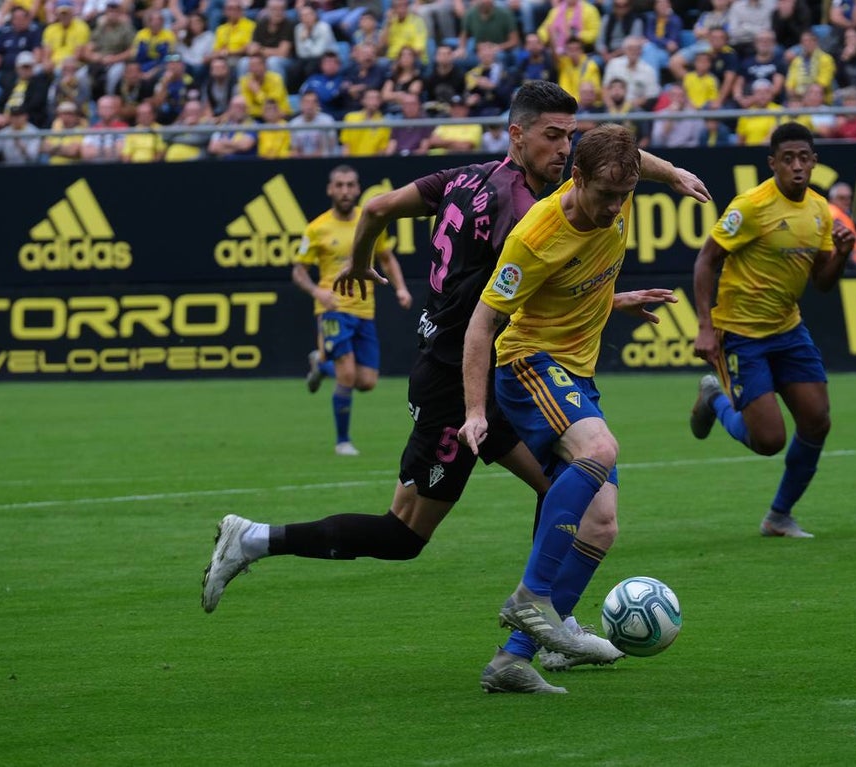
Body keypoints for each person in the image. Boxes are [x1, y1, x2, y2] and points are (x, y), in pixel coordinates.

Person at [200, 81, 707, 694]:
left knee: (581, 500)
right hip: (458, 375)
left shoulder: (467, 177)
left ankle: (532, 636)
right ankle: (253, 538)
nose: (564, 148)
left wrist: (361, 262)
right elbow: (491, 314)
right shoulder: (525, 211)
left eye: (570, 137)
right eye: (554, 136)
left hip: (489, 367)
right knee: (405, 533)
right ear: (516, 135)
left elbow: (379, 207)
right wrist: (473, 407)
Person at [459, 122, 710, 693]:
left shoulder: (616, 179)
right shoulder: (536, 234)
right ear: (576, 177)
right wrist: (476, 410)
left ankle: (512, 662)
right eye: (606, 197)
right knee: (599, 449)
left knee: (600, 525)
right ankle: (532, 599)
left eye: (626, 196)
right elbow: (481, 324)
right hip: (527, 364)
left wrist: (673, 177)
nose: (615, 208)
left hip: (576, 371)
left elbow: (633, 158)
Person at [688, 123, 854, 539]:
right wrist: (706, 327)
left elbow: (822, 282)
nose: (797, 166)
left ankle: (779, 515)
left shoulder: (819, 211)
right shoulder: (752, 206)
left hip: (788, 329)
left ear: (814, 162)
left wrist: (843, 256)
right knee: (768, 440)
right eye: (788, 159)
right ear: (773, 164)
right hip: (741, 333)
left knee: (817, 421)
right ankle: (714, 399)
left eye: (804, 158)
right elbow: (706, 261)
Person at [294, 165, 412, 456]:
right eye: (339, 185)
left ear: (358, 189)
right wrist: (317, 291)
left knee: (367, 382)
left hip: (364, 310)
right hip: (332, 307)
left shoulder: (370, 219)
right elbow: (298, 271)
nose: (345, 191)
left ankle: (320, 364)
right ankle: (342, 441)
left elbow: (386, 257)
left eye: (350, 185)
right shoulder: (316, 228)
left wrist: (401, 288)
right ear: (330, 190)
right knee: (346, 374)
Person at [828, 181, 856, 272]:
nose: (847, 201)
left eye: (849, 198)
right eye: (842, 198)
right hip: (843, 266)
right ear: (832, 199)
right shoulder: (833, 214)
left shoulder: (843, 215)